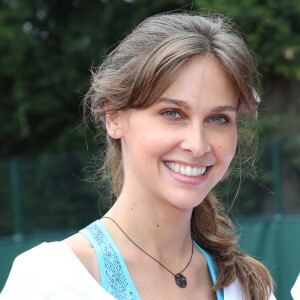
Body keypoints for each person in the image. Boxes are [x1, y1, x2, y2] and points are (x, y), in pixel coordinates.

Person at [0, 11, 276, 300]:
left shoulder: (247, 288)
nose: (198, 145)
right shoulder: (50, 282)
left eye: (218, 119)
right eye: (172, 113)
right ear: (114, 118)